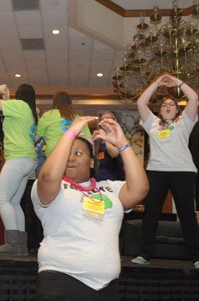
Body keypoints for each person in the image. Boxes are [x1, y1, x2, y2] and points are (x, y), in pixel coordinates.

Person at [32, 116, 148, 300]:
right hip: (62, 281)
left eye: (78, 153)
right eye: (66, 153)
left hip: (107, 288)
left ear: (92, 161)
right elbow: (47, 177)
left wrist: (123, 144)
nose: (70, 158)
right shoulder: (52, 188)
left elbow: (140, 189)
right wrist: (69, 134)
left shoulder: (109, 188)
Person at [131, 73, 199, 269]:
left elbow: (194, 98)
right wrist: (157, 82)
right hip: (157, 171)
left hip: (183, 172)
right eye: (164, 104)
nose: (167, 106)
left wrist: (177, 82)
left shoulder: (185, 122)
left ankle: (198, 257)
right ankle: (144, 255)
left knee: (187, 214)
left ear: (177, 110)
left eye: (171, 104)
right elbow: (141, 102)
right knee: (151, 214)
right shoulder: (152, 123)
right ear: (159, 110)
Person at [0, 83, 37, 256]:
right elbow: (8, 114)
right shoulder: (29, 111)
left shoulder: (20, 106)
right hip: (28, 160)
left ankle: (11, 243)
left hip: (17, 158)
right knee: (14, 202)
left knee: (1, 199)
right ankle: (21, 246)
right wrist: (7, 100)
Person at [37, 91, 91, 165]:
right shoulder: (78, 118)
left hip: (53, 154)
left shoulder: (48, 115)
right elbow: (90, 143)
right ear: (70, 103)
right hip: (73, 155)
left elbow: (36, 137)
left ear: (54, 102)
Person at [93, 111, 125, 181]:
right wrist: (91, 143)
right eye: (102, 119)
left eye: (108, 118)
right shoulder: (98, 140)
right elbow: (91, 159)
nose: (105, 120)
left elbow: (114, 154)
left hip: (115, 180)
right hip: (99, 181)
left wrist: (106, 138)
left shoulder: (119, 137)